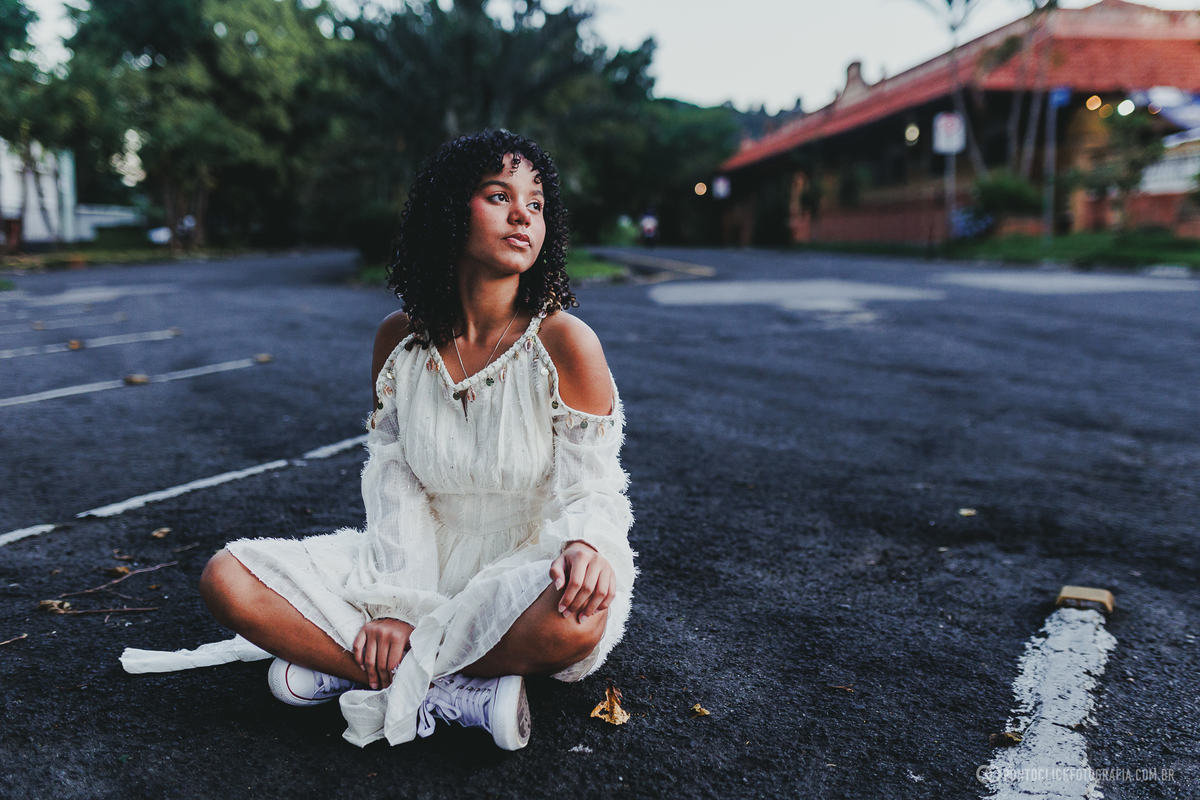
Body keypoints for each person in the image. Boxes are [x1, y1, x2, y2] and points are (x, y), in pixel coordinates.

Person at [120, 130, 636, 750]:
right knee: (227, 578)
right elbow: (395, 480)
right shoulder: (399, 341)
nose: (523, 215)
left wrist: (585, 544)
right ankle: (452, 693)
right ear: (450, 211)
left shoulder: (565, 341)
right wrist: (396, 605)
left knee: (577, 619)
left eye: (537, 202)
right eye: (499, 196)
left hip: (525, 566)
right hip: (413, 555)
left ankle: (352, 668)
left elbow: (594, 484)